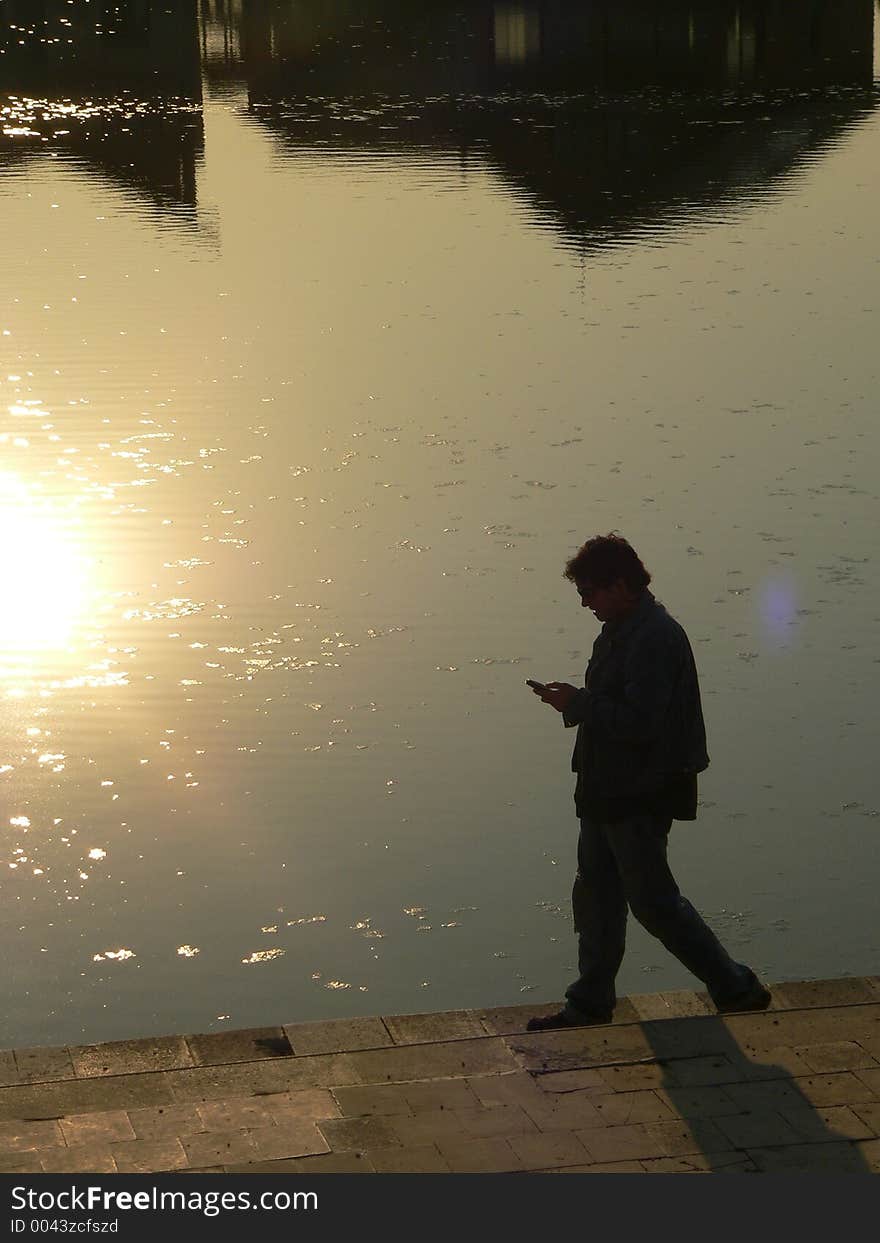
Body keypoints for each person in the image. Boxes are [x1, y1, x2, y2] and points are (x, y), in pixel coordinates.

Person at [526, 533, 770, 1031]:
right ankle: (590, 1003)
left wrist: (577, 703)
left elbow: (642, 722)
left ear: (620, 584)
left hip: (640, 790)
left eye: (590, 591)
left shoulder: (654, 636)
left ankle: (735, 986)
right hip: (604, 787)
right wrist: (576, 702)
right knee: (595, 896)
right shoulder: (620, 627)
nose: (584, 602)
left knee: (653, 902)